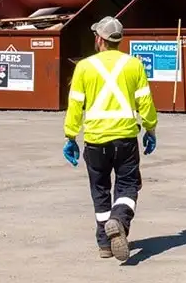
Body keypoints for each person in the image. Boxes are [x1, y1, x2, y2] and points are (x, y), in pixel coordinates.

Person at [62, 16, 159, 261]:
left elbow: (75, 105)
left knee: (100, 189)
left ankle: (105, 244)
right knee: (127, 186)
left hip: (95, 141)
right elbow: (145, 102)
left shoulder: (84, 67)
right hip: (125, 139)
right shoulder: (134, 65)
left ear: (99, 39)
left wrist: (70, 136)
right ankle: (119, 220)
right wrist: (151, 129)